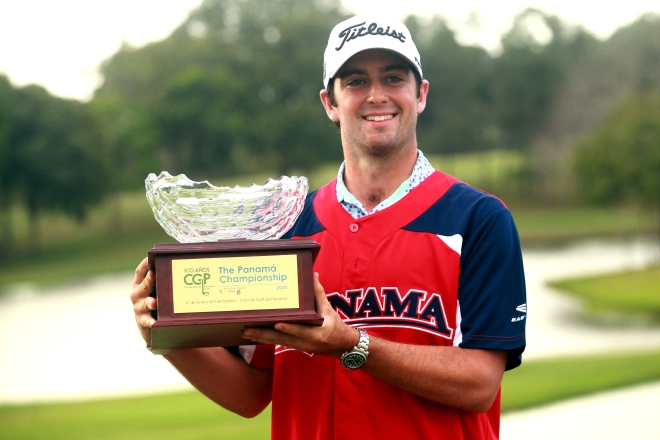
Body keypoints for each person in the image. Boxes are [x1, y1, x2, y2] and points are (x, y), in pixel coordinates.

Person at [131, 14, 526, 439]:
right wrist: (162, 336)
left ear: (421, 94)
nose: (377, 95)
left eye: (393, 78)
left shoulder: (478, 219)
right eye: (355, 81)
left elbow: (480, 384)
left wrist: (351, 345)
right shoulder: (284, 227)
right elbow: (250, 394)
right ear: (330, 104)